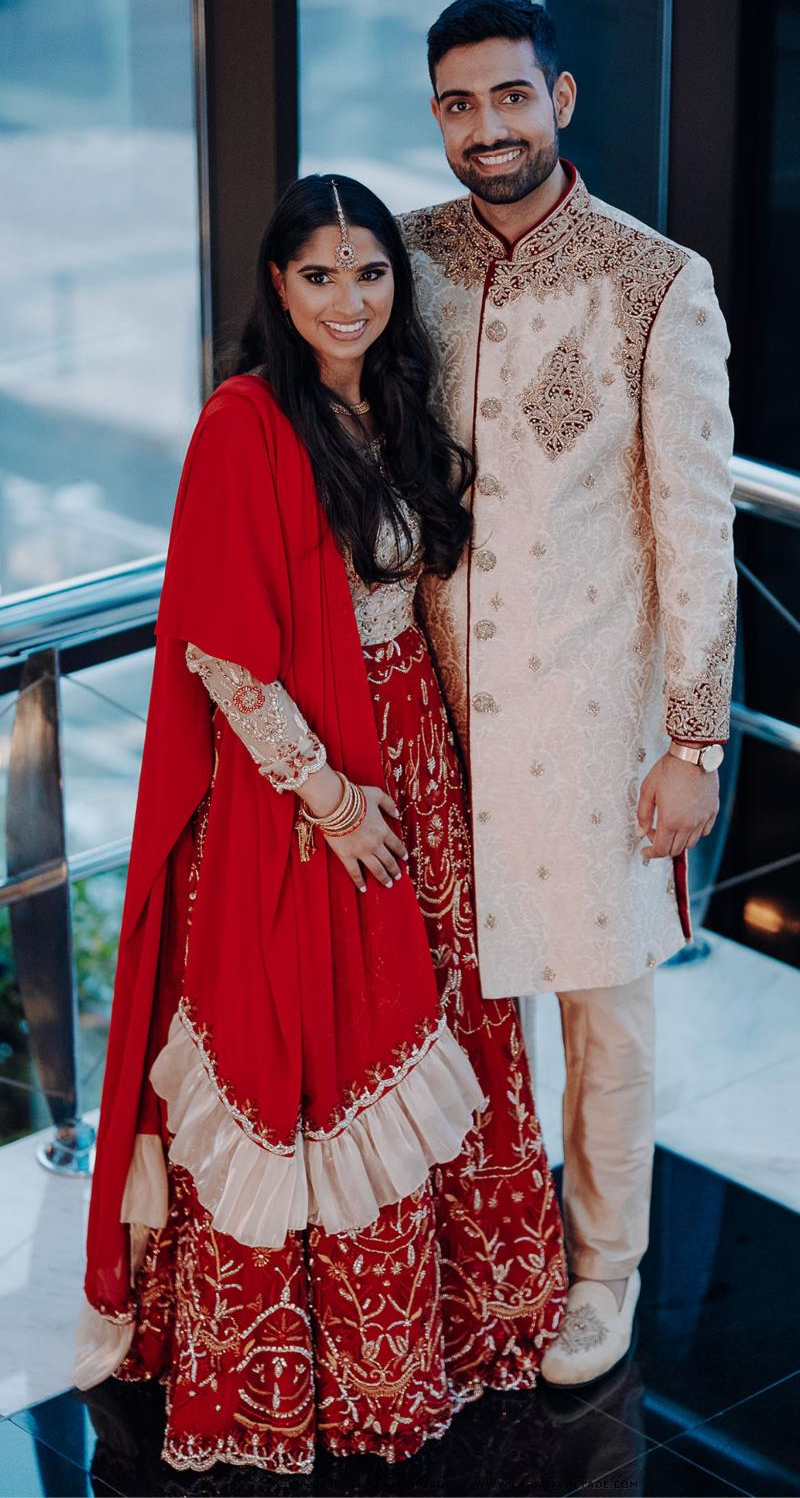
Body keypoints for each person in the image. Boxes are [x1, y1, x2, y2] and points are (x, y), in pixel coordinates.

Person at [75, 174, 566, 1473]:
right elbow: (223, 653)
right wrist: (334, 801)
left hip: (421, 757)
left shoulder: (393, 403)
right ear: (277, 288)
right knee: (326, 1046)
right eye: (319, 275)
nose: (349, 299)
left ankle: (445, 1328)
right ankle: (322, 1359)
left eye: (370, 272)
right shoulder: (243, 425)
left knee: (437, 1020)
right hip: (304, 791)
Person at [399, 0, 736, 1385]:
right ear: (438, 115)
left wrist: (693, 744)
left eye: (511, 96)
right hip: (434, 716)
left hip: (596, 725)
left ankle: (605, 1271)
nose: (488, 127)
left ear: (563, 98)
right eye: (460, 103)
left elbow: (698, 530)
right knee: (452, 1012)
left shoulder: (658, 282)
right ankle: (477, 1253)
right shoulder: (405, 257)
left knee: (603, 1015)